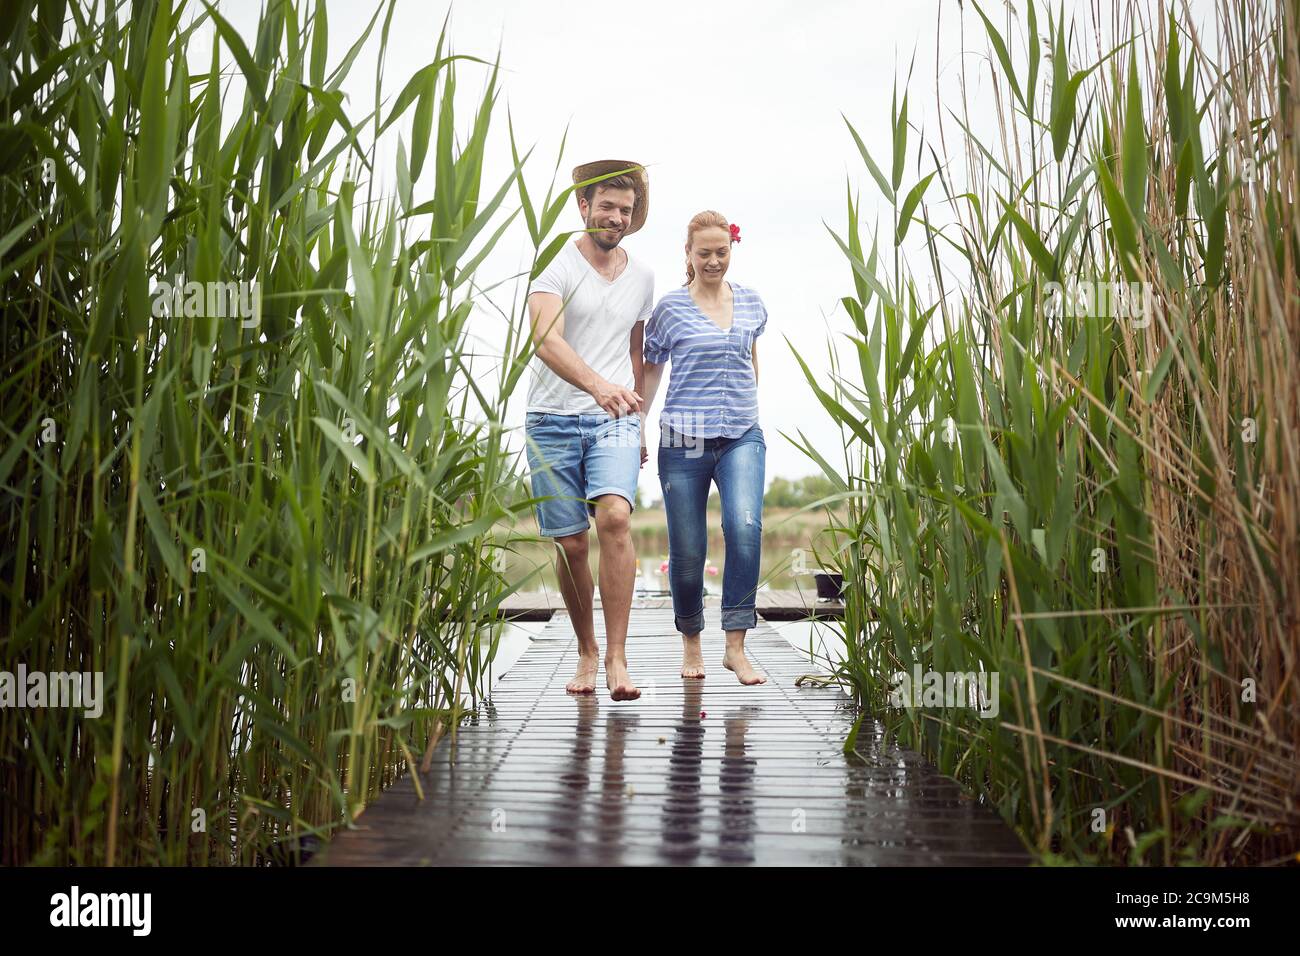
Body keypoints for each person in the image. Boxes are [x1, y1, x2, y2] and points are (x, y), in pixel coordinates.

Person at [524, 160, 653, 700]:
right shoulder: (553, 265)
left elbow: (638, 352)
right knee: (573, 543)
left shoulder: (643, 277)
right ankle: (587, 651)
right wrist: (598, 385)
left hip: (614, 420)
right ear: (583, 207)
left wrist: (639, 417)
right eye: (606, 207)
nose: (615, 218)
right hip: (551, 420)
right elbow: (545, 340)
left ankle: (618, 659)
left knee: (616, 520)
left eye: (625, 210)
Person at [640, 211, 768, 685]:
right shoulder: (671, 309)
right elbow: (651, 370)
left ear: (731, 249)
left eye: (721, 252)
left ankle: (735, 644)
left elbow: (751, 359)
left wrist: (750, 407)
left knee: (745, 527)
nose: (713, 261)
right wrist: (639, 425)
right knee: (689, 550)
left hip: (741, 435)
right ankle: (691, 640)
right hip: (682, 439)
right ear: (688, 254)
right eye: (704, 253)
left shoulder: (752, 302)